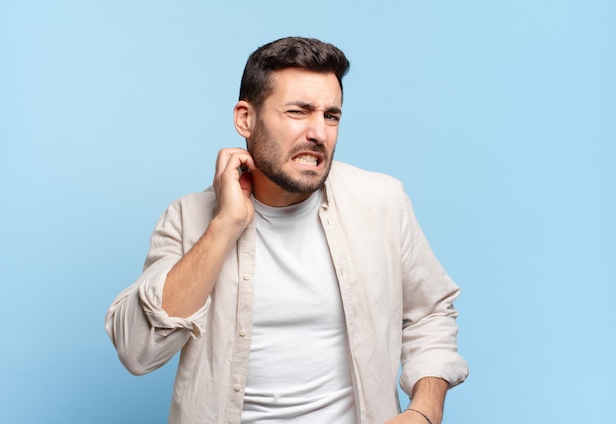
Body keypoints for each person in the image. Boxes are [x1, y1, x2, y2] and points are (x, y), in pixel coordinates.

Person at [105, 36, 468, 424]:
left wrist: (425, 411)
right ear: (246, 118)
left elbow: (430, 313)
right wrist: (225, 225)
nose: (319, 133)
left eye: (331, 116)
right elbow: (137, 351)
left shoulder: (382, 201)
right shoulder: (187, 218)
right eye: (299, 112)